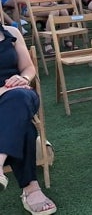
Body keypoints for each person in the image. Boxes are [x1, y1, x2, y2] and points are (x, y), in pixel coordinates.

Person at [0, 25, 57, 215]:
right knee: (24, 126)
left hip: (19, 95)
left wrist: (23, 78)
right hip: (9, 99)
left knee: (19, 100)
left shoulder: (12, 33)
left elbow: (28, 67)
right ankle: (31, 188)